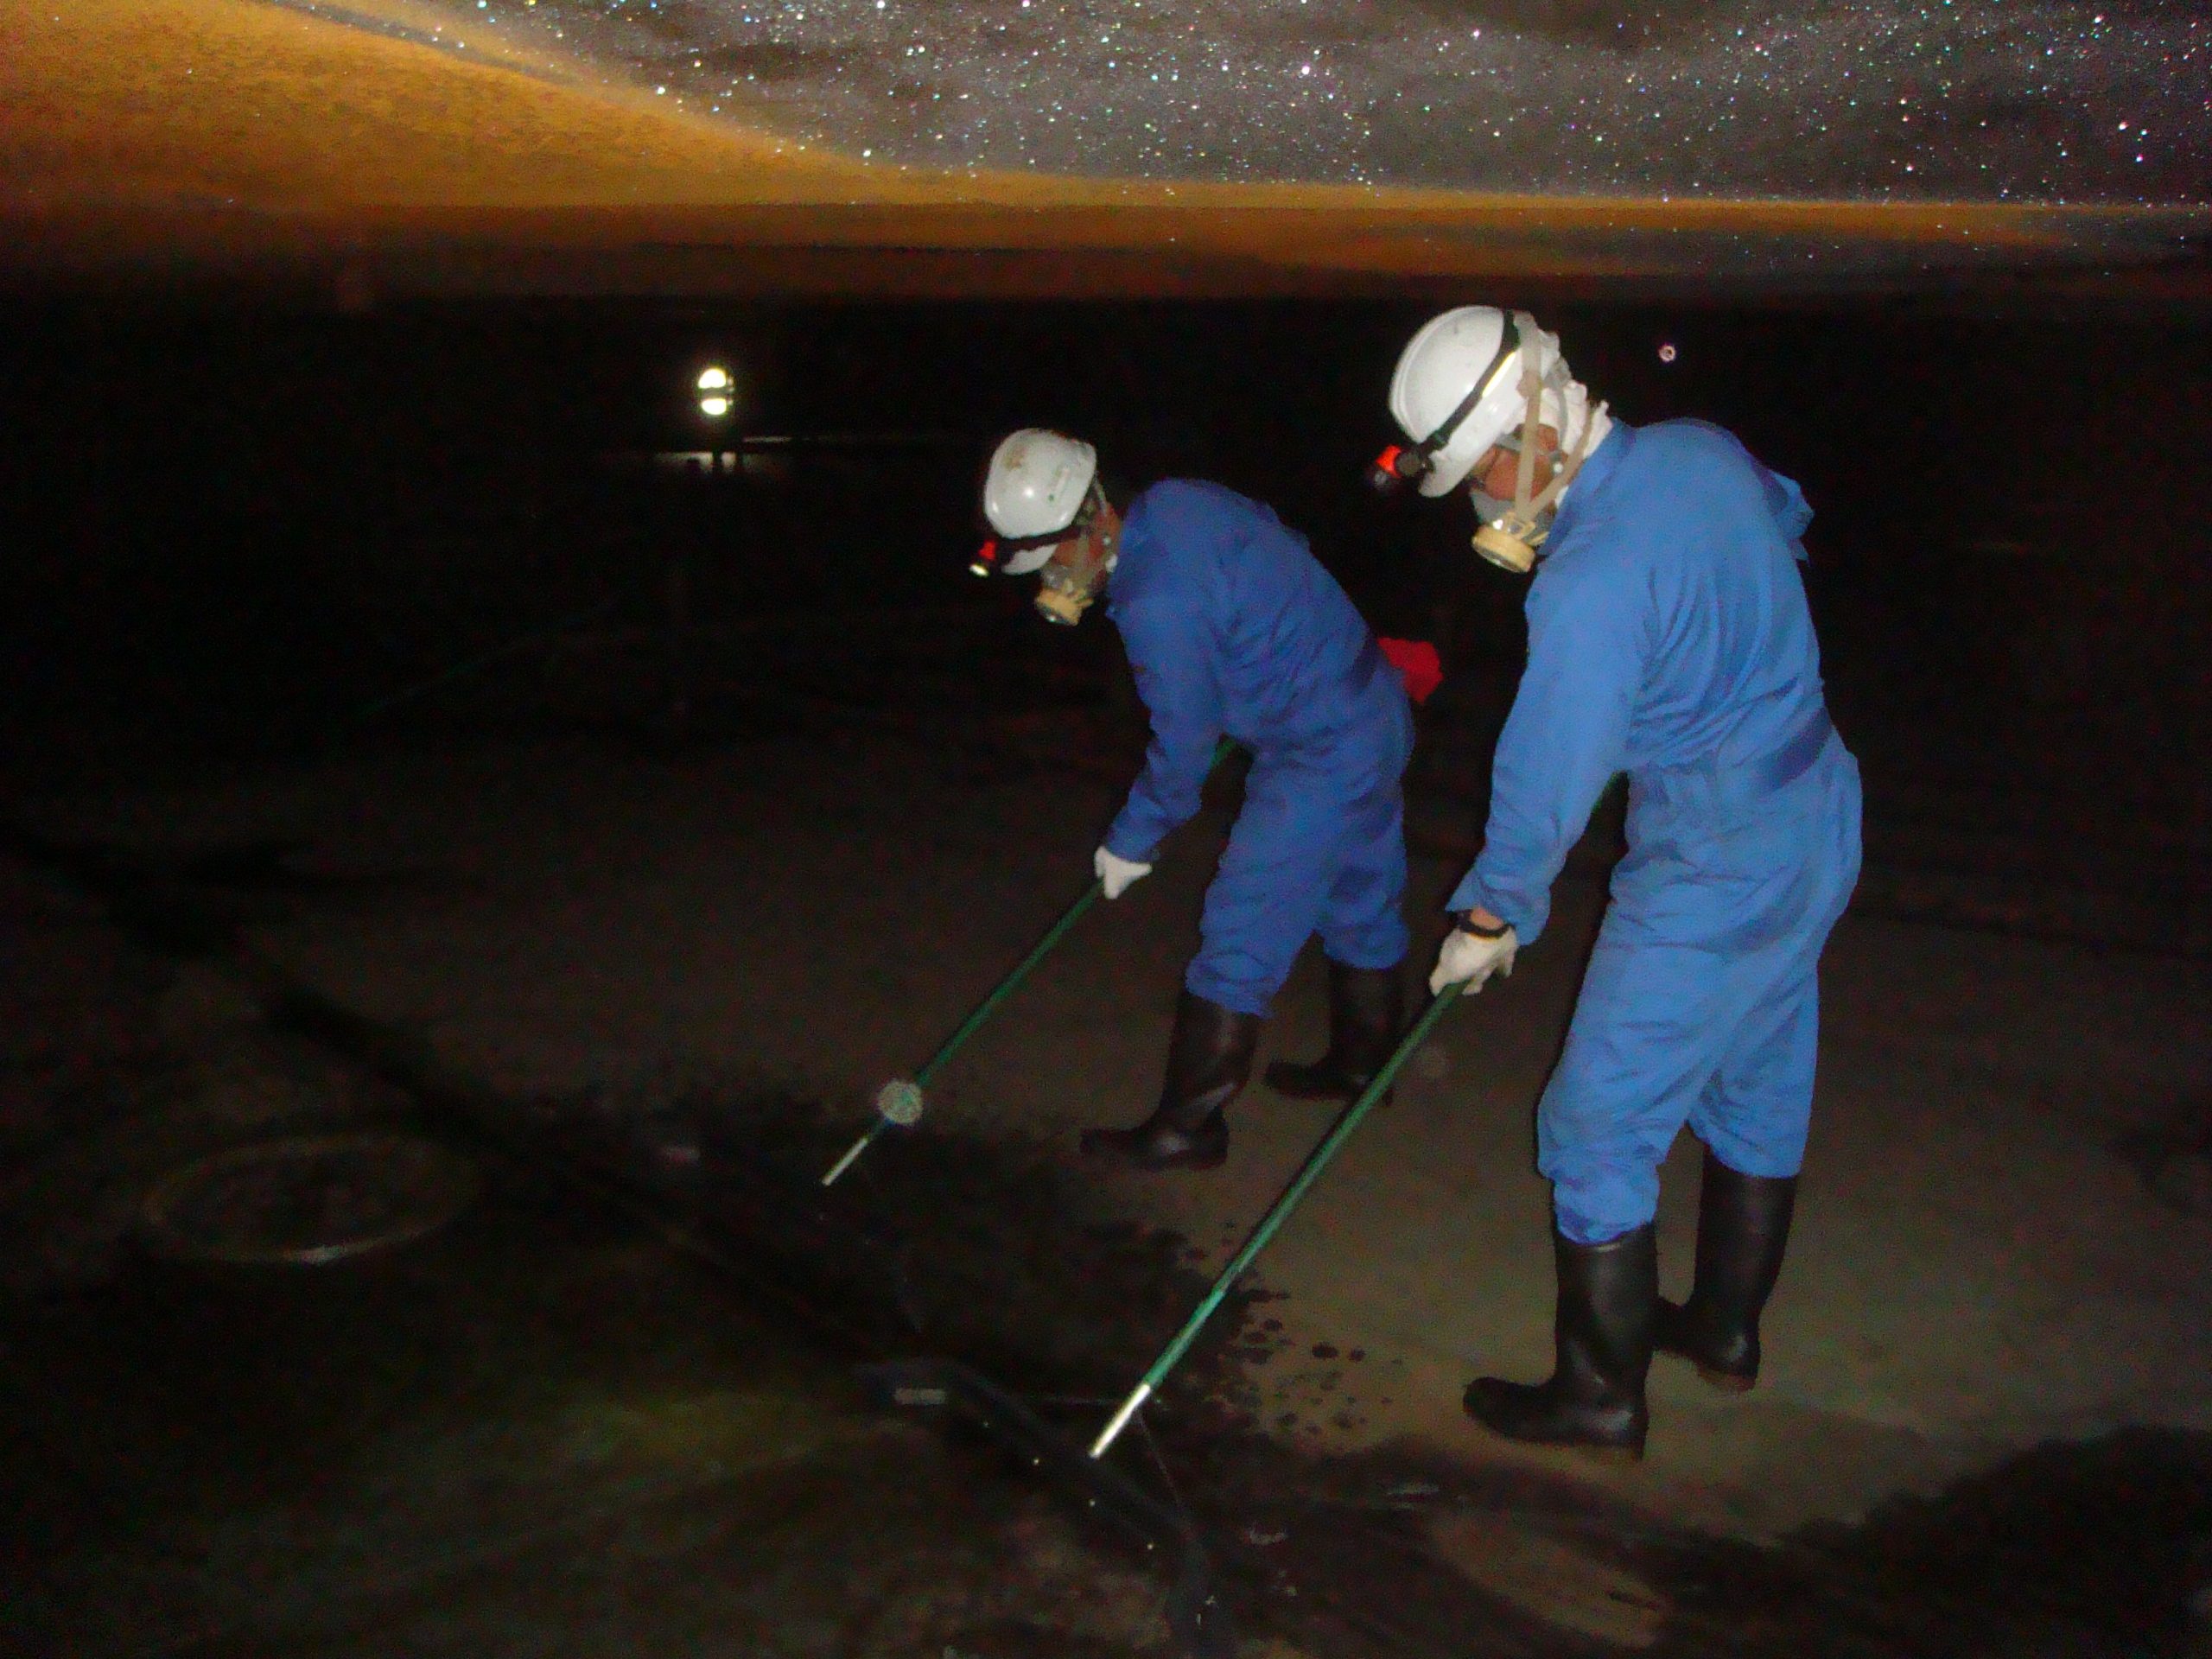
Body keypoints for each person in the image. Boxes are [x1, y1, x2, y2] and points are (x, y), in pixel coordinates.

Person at [1381, 308, 1862, 1459]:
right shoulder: (1698, 447)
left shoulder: (1589, 581)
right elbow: (1788, 517)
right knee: (1755, 1071)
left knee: (1594, 1126)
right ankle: (1725, 1331)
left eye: (1481, 473)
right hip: (1817, 810)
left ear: (1533, 430)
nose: (1482, 501)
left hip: (1718, 855)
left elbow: (1551, 768)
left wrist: (1493, 912)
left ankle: (1599, 1396)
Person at [975, 429, 1418, 1172]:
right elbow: (1285, 546)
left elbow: (1181, 748)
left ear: (1091, 520)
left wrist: (1132, 839)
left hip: (1318, 749)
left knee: (1240, 929)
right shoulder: (1177, 499)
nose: (1053, 576)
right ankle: (1363, 1068)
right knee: (1360, 896)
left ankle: (1189, 1128)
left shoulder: (1153, 601)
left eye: (1052, 557)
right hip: (1373, 704)